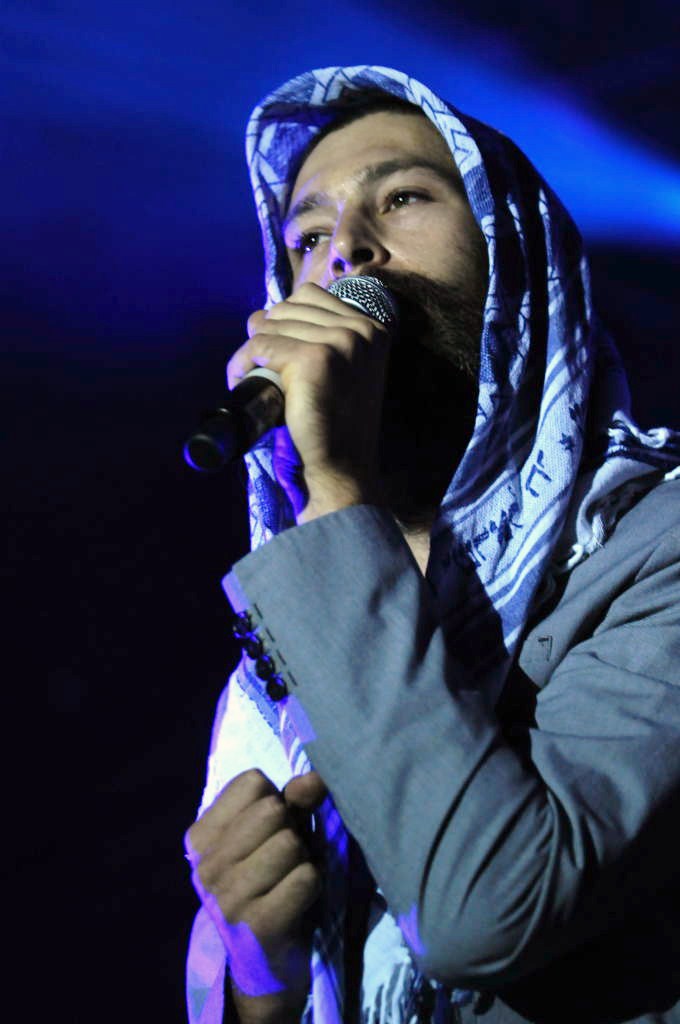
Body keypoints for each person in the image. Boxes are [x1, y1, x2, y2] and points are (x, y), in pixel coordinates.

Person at [184, 66, 680, 1024]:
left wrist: (335, 487)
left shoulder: (655, 543)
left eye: (403, 198)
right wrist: (261, 976)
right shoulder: (281, 661)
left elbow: (489, 914)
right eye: (307, 237)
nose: (346, 253)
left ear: (516, 257)